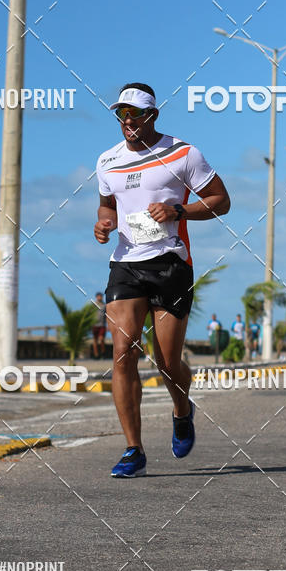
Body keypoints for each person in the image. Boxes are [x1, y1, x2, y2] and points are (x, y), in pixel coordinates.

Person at [94, 82, 231, 478]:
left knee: (167, 362)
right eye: (122, 114)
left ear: (153, 115)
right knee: (123, 353)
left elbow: (221, 200)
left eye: (136, 114)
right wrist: (104, 224)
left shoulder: (184, 153)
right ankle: (133, 449)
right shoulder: (107, 161)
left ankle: (182, 409)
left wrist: (178, 211)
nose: (129, 121)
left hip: (170, 263)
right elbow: (107, 206)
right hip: (126, 263)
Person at [92, 292, 107, 359]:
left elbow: (107, 315)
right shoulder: (93, 304)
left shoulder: (105, 305)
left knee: (101, 339)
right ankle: (96, 355)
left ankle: (103, 353)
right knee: (95, 340)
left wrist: (108, 325)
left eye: (101, 296)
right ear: (96, 297)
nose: (100, 297)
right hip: (94, 325)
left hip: (102, 325)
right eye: (99, 296)